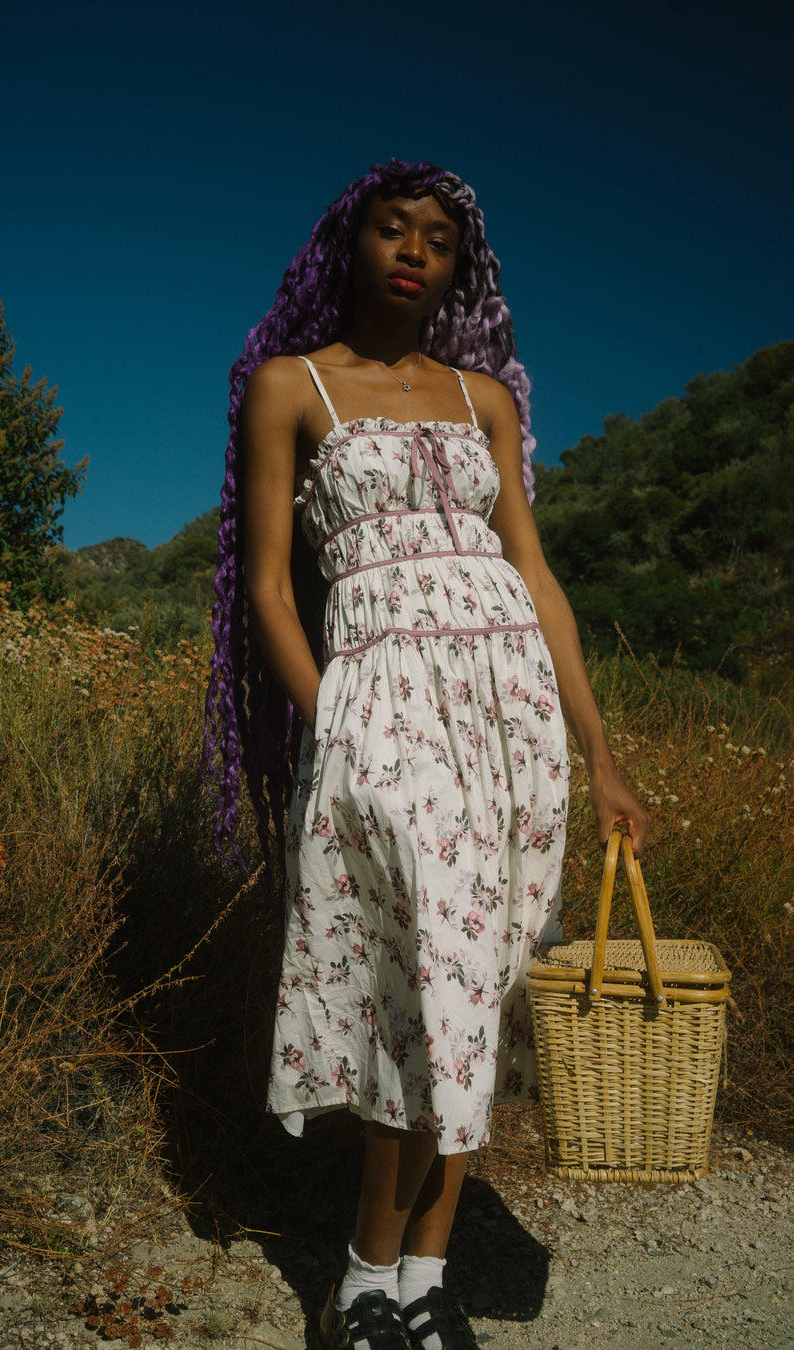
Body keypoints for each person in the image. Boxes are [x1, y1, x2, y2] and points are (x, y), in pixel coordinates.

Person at [204, 160, 649, 1350]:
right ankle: (362, 1275)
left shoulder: (484, 397)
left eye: (440, 238)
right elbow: (267, 589)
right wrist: (334, 714)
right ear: (349, 244)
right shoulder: (290, 388)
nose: (414, 249)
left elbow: (534, 575)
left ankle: (424, 1278)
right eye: (393, 229)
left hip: (509, 707)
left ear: (461, 265)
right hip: (382, 708)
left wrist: (598, 750)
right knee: (413, 982)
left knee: (473, 985)